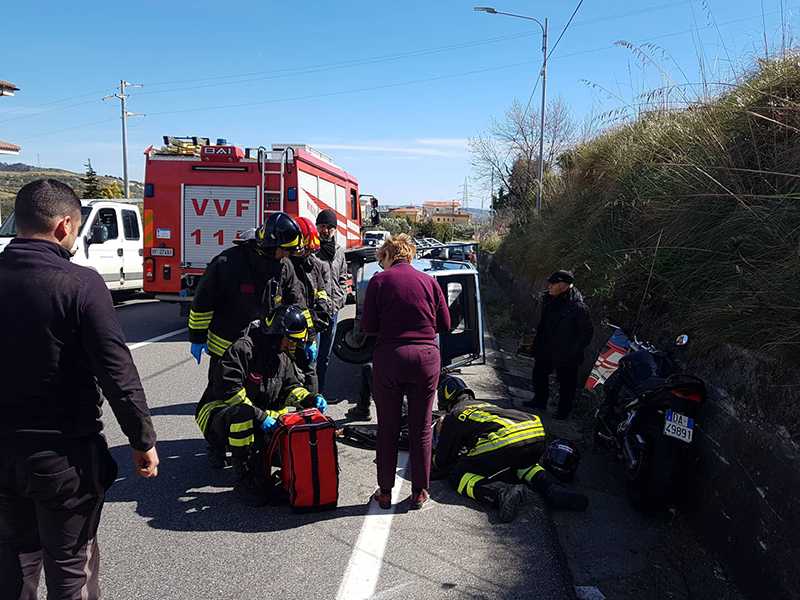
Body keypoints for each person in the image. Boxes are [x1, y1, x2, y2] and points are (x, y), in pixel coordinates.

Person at [0, 179, 159, 599]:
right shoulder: (80, 284)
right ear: (64, 225)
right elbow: (116, 371)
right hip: (64, 457)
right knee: (72, 566)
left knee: (15, 560)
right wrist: (142, 439)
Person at [189, 211, 304, 467]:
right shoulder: (229, 262)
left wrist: (307, 334)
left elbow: (296, 298)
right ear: (270, 243)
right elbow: (203, 300)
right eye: (283, 250)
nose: (286, 255)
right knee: (223, 395)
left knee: (260, 392)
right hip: (226, 343)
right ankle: (217, 445)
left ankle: (253, 438)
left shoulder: (283, 266)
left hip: (262, 343)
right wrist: (197, 336)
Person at [195, 304, 327, 505]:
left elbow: (290, 387)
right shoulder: (243, 349)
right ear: (276, 333)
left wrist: (309, 399)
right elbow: (229, 392)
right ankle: (242, 479)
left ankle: (258, 463)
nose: (292, 345)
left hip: (258, 417)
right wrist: (261, 417)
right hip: (217, 413)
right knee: (243, 417)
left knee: (283, 457)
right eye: (290, 340)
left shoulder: (281, 357)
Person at [361, 234, 451, 510]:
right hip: (425, 358)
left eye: (381, 259)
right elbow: (445, 324)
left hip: (390, 357)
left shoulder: (379, 281)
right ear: (410, 255)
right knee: (421, 427)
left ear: (388, 255)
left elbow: (368, 326)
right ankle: (420, 492)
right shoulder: (429, 281)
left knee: (387, 427)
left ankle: (385, 492)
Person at [434, 376, 588, 523]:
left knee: (457, 474)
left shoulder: (455, 415)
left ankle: (500, 493)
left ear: (446, 403)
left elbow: (442, 460)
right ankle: (551, 488)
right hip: (535, 432)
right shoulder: (484, 405)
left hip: (506, 439)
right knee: (522, 464)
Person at [527, 270, 594, 419]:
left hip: (567, 352)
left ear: (563, 285)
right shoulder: (549, 299)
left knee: (566, 383)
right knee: (539, 373)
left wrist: (573, 351)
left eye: (553, 283)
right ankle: (539, 401)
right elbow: (544, 324)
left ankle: (563, 412)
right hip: (547, 346)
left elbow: (587, 333)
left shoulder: (578, 307)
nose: (549, 286)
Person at [288, 217, 333, 395]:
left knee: (309, 375)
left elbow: (321, 294)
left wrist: (312, 335)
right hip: (284, 336)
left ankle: (310, 414)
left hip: (307, 334)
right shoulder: (282, 267)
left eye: (310, 250)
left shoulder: (313, 265)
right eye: (304, 250)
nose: (308, 254)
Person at [315, 208, 350, 394]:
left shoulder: (339, 252)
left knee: (325, 357)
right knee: (311, 356)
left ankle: (320, 392)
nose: (325, 230)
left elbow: (343, 277)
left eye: (329, 227)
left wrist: (341, 297)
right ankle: (308, 395)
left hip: (333, 311)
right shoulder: (311, 251)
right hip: (315, 313)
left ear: (335, 229)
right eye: (322, 226)